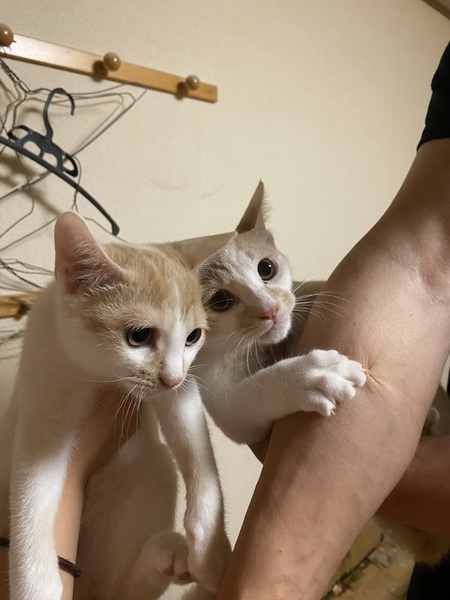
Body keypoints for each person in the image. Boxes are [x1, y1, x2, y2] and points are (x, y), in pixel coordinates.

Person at [2, 42, 450, 600]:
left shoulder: (194, 324)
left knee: (157, 470)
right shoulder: (75, 313)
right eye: (140, 335)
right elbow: (423, 268)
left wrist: (206, 508)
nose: (175, 373)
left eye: (194, 337)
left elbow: (184, 396)